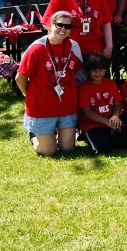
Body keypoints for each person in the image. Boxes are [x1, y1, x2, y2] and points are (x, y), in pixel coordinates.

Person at [15, 10, 83, 156]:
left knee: (68, 149)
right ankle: (34, 136)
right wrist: (29, 94)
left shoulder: (73, 46)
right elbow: (20, 78)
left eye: (68, 26)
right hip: (42, 108)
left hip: (67, 106)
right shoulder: (37, 48)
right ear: (51, 25)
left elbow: (78, 73)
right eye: (59, 25)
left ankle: (53, 136)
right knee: (49, 151)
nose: (63, 29)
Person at [43, 0, 113, 63]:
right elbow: (48, 24)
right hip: (69, 52)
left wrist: (109, 46)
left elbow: (106, 22)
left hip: (96, 52)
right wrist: (62, 40)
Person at [78, 54, 127, 154]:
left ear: (106, 70)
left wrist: (115, 116)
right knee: (103, 148)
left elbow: (118, 102)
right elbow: (86, 111)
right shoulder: (83, 87)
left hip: (113, 121)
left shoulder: (111, 83)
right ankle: (102, 138)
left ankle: (111, 136)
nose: (97, 73)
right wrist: (106, 122)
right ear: (88, 71)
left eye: (101, 69)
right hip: (93, 124)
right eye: (94, 70)